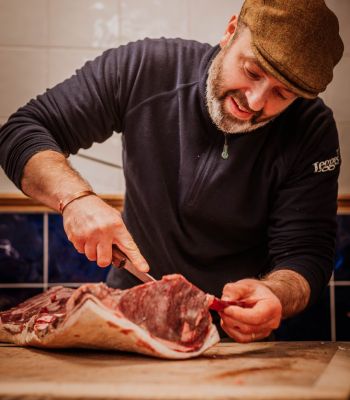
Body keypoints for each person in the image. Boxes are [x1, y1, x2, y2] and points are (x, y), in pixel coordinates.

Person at [0, 0, 344, 343]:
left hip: (234, 339)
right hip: (130, 320)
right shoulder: (146, 68)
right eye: (252, 72)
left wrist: (275, 295)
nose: (254, 102)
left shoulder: (312, 130)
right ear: (230, 31)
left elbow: (307, 253)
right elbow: (21, 130)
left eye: (281, 94)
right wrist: (74, 198)